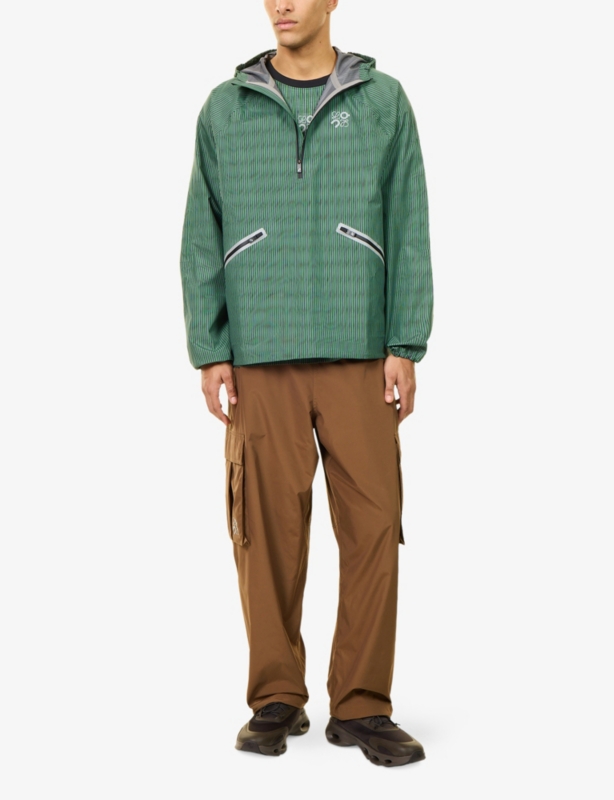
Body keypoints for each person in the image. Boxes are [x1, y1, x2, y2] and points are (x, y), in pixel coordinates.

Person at [179, 0, 433, 768]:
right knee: (263, 535)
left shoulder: (383, 102)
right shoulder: (224, 110)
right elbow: (201, 233)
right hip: (261, 354)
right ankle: (276, 698)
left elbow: (409, 223)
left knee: (374, 528)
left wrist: (404, 342)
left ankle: (361, 705)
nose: (281, 4)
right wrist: (211, 348)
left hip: (360, 351)